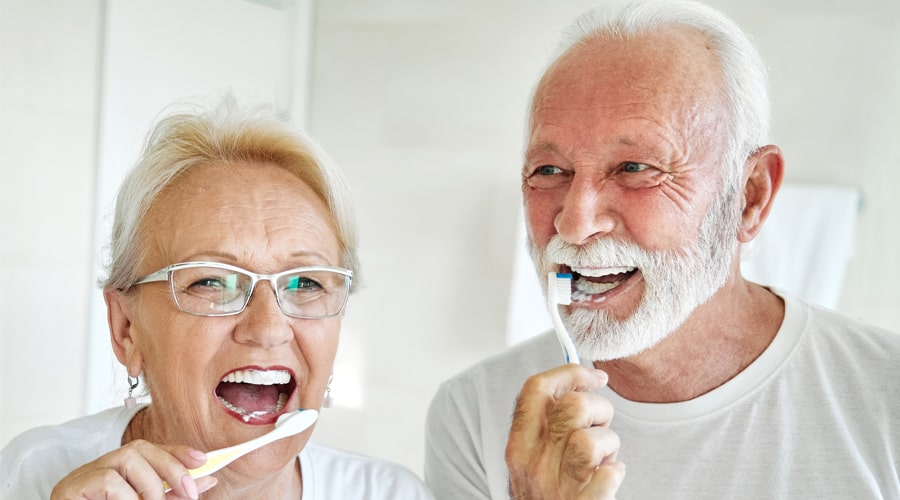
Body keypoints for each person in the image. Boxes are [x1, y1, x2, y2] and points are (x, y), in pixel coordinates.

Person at [424, 0, 900, 499]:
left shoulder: (885, 398)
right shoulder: (474, 415)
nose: (575, 223)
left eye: (635, 168)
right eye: (549, 171)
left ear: (750, 195)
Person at [1, 97, 435, 499]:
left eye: (306, 283)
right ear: (126, 330)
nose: (268, 329)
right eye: (211, 282)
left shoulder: (391, 493)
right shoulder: (33, 475)